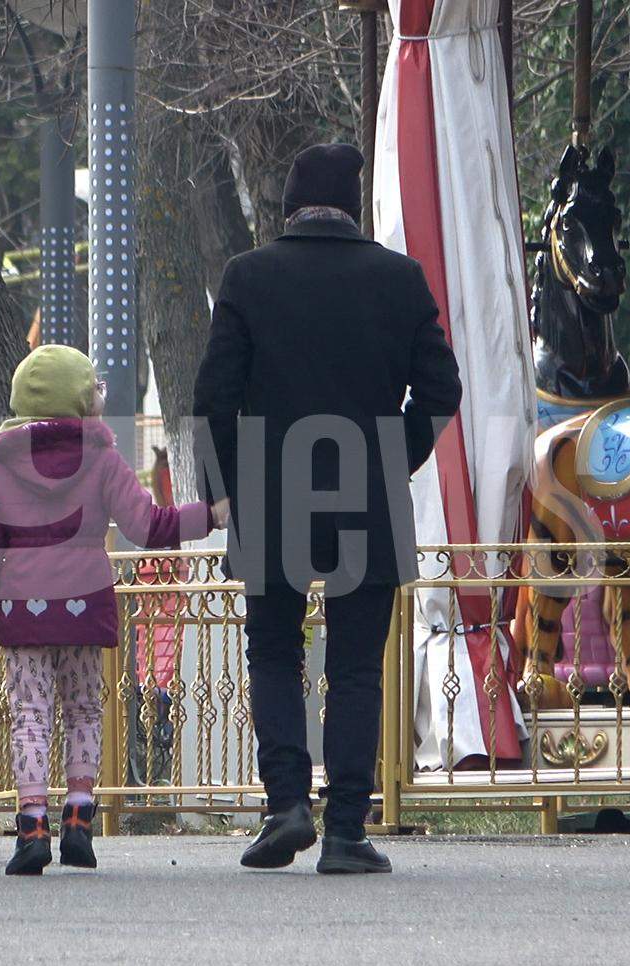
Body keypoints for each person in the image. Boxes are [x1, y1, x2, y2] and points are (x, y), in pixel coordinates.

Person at [192, 142, 462, 875]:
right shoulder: (399, 280)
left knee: (273, 652)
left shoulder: (248, 277)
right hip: (366, 495)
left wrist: (220, 487)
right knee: (354, 668)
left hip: (269, 492)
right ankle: (346, 830)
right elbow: (442, 391)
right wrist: (388, 456)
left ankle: (285, 803)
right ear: (353, 204)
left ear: (288, 204)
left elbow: (214, 394)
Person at [0, 345, 219, 875]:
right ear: (80, 399)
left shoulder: (6, 467)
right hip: (83, 605)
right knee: (83, 711)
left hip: (21, 611)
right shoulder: (103, 460)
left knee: (29, 717)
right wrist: (210, 516)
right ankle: (78, 822)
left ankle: (32, 830)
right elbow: (148, 527)